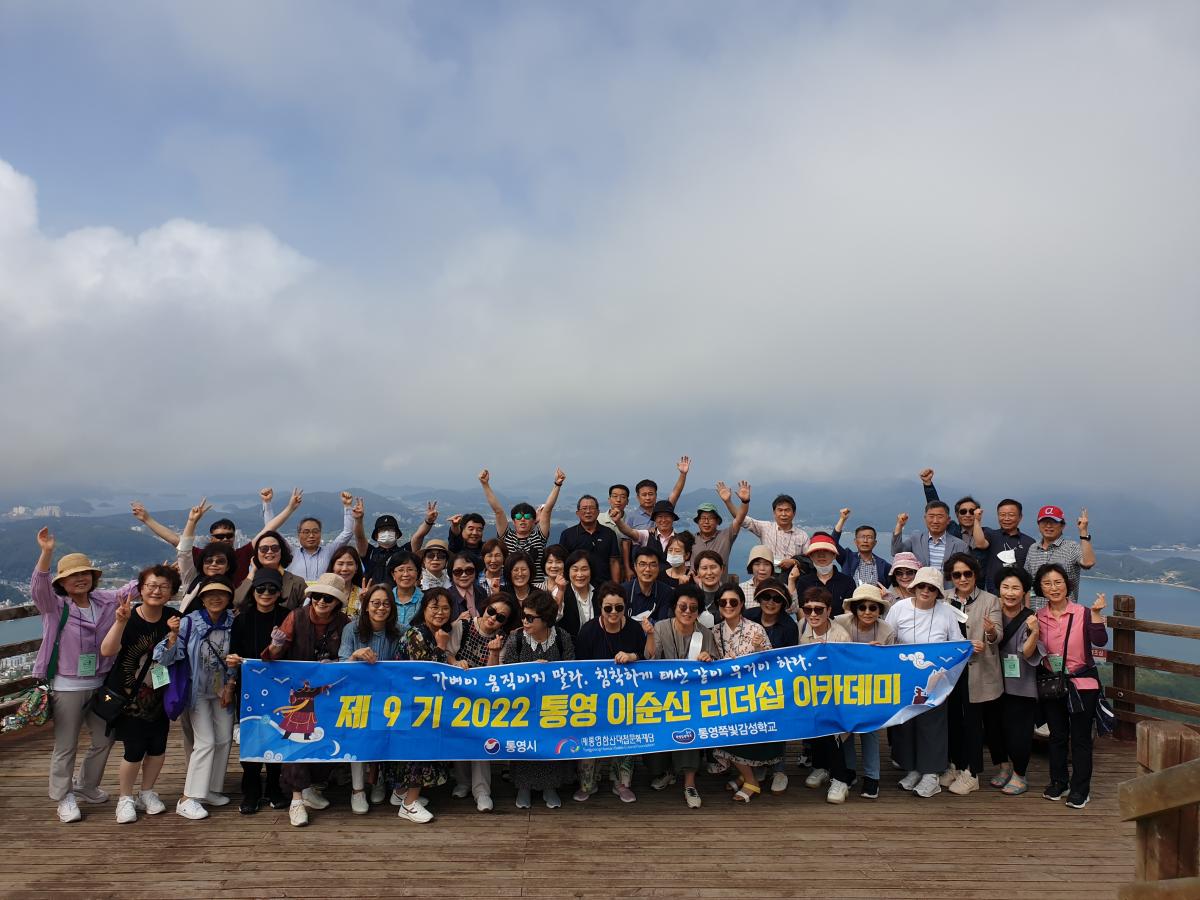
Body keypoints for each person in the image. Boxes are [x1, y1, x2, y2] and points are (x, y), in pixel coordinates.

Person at [32, 527, 139, 823]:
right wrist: (46, 553)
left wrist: (158, 576)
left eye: (85, 573)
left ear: (93, 577)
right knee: (66, 744)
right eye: (73, 575)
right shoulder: (55, 607)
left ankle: (86, 785)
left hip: (102, 683)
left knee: (104, 738)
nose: (80, 579)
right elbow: (38, 588)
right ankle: (63, 796)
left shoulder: (104, 600)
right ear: (61, 583)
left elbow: (131, 590)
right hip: (67, 685)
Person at [263, 573, 352, 827]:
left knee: (322, 740)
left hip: (329, 694)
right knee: (296, 740)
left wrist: (336, 664)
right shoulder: (296, 617)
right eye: (317, 596)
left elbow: (347, 658)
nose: (321, 601)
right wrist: (276, 644)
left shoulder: (344, 623)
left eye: (328, 598)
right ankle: (296, 800)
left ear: (337, 602)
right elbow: (273, 655)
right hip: (297, 694)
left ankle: (309, 787)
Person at [98, 564, 182, 824]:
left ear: (172, 592)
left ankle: (147, 792)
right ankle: (125, 798)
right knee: (134, 749)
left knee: (157, 747)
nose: (156, 591)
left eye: (164, 587)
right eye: (151, 586)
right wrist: (120, 622)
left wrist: (174, 635)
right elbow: (107, 650)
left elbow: (177, 656)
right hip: (128, 697)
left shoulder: (174, 618)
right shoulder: (129, 616)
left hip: (159, 696)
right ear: (141, 589)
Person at [153, 575, 236, 820]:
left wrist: (231, 684)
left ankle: (210, 789)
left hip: (222, 689)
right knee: (206, 741)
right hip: (196, 691)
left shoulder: (233, 622)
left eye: (221, 594)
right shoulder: (188, 623)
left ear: (229, 597)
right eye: (210, 594)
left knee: (224, 739)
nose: (216, 598)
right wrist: (172, 636)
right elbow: (162, 657)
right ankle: (188, 797)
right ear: (202, 598)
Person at [884, 567, 963, 798]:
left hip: (935, 679)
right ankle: (913, 768)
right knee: (906, 724)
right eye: (921, 586)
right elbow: (888, 636)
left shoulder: (946, 612)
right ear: (914, 587)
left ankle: (931, 774)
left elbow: (956, 642)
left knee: (932, 725)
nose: (925, 591)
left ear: (938, 592)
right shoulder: (899, 608)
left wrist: (968, 648)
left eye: (931, 588)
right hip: (904, 677)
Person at [1035, 564, 1108, 809]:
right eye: (1047, 583)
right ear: (1040, 588)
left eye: (1058, 582)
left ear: (1067, 584)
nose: (1054, 588)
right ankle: (1059, 782)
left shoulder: (1082, 613)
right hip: (1053, 684)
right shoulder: (1038, 617)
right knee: (1056, 735)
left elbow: (1100, 641)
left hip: (1082, 684)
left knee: (1080, 738)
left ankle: (1080, 789)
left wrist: (1096, 614)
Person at [573, 583, 655, 803]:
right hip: (594, 697)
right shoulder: (588, 630)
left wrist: (633, 656)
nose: (613, 612)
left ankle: (622, 783)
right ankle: (588, 783)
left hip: (626, 697)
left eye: (619, 608)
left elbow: (647, 657)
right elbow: (579, 667)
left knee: (625, 739)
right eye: (608, 608)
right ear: (600, 607)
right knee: (590, 739)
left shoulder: (634, 628)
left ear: (625, 608)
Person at [500, 590, 576, 808]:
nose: (525, 621)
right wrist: (530, 671)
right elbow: (507, 673)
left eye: (530, 618)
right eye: (523, 616)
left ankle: (550, 787)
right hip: (524, 706)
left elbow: (571, 671)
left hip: (554, 705)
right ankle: (522, 787)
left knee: (551, 744)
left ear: (546, 619)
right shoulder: (516, 639)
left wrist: (550, 673)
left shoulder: (562, 638)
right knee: (525, 746)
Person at [130, 486, 293, 586]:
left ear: (234, 537)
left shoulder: (242, 554)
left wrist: (290, 508)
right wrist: (147, 519)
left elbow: (269, 529)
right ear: (211, 539)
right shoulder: (204, 557)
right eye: (220, 536)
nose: (225, 539)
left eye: (229, 535)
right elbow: (176, 541)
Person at [226, 567, 290, 814]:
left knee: (277, 735)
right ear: (253, 591)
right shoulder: (242, 619)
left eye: (272, 588)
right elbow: (233, 653)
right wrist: (231, 677)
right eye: (261, 588)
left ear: (279, 592)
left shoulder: (287, 617)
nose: (266, 593)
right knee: (251, 736)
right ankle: (251, 789)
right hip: (249, 688)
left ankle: (274, 786)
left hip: (280, 688)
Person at [446, 594, 517, 813]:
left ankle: (482, 790)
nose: (493, 618)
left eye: (501, 617)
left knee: (481, 739)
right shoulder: (463, 625)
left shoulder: (503, 639)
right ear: (485, 608)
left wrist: (494, 652)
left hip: (483, 697)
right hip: (457, 692)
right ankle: (463, 782)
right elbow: (447, 652)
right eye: (491, 611)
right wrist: (456, 662)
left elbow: (493, 675)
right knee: (458, 737)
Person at [709, 585, 779, 803]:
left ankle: (751, 781)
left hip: (751, 695)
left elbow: (771, 664)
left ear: (741, 604)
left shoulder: (755, 629)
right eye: (723, 602)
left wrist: (758, 650)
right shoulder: (714, 631)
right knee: (722, 732)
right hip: (724, 696)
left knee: (740, 736)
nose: (728, 606)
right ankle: (744, 776)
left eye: (733, 602)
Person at [648, 585, 716, 808]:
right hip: (662, 695)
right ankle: (667, 771)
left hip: (692, 699)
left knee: (689, 729)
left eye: (693, 608)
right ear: (674, 607)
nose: (687, 611)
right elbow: (650, 659)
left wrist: (708, 658)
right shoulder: (661, 627)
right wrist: (649, 636)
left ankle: (689, 783)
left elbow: (716, 665)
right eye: (682, 607)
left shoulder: (705, 634)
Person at [392, 588, 456, 824]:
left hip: (421, 704)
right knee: (420, 751)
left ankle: (400, 794)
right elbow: (426, 673)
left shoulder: (434, 632)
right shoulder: (416, 634)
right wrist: (441, 647)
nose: (440, 612)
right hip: (413, 706)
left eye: (445, 608)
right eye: (434, 607)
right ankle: (409, 804)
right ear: (424, 609)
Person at [941, 553, 1003, 797]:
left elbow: (997, 636)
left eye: (967, 573)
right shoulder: (944, 598)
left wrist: (989, 633)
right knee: (953, 719)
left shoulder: (990, 600)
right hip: (951, 671)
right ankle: (956, 765)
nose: (963, 579)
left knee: (973, 722)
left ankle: (973, 772)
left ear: (975, 574)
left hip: (978, 670)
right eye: (957, 575)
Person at [339, 583, 403, 814]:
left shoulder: (400, 631)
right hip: (357, 695)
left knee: (388, 735)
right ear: (366, 606)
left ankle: (378, 781)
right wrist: (355, 655)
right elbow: (341, 665)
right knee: (358, 738)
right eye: (375, 603)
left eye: (386, 604)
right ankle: (357, 790)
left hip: (388, 696)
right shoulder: (351, 629)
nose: (381, 608)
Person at [834, 584, 895, 799]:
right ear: (854, 609)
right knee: (846, 729)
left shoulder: (887, 631)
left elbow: (892, 664)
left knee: (870, 731)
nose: (867, 612)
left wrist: (881, 655)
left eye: (873, 607)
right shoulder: (840, 622)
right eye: (862, 607)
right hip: (844, 685)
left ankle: (872, 777)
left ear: (880, 610)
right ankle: (849, 771)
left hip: (872, 686)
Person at [795, 587, 855, 803]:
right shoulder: (801, 627)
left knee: (831, 731)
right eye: (808, 609)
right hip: (810, 691)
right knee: (814, 729)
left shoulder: (841, 636)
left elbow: (847, 669)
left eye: (818, 609)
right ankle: (820, 767)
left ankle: (840, 779)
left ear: (829, 610)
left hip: (836, 694)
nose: (813, 614)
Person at [743, 579, 799, 794]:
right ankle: (759, 764)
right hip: (749, 683)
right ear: (758, 598)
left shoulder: (789, 626)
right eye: (766, 597)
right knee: (755, 726)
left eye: (777, 598)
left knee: (777, 726)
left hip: (777, 683)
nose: (771, 602)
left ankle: (779, 770)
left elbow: (789, 659)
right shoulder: (748, 616)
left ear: (783, 603)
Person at [990, 567, 1042, 796]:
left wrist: (1035, 633)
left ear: (1024, 591)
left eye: (1015, 588)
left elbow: (1028, 653)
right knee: (994, 727)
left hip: (1021, 685)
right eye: (1005, 587)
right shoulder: (992, 614)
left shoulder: (1030, 618)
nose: (1010, 593)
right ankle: (1003, 766)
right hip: (993, 681)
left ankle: (1020, 774)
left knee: (1018, 731)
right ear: (998, 589)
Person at [479, 467, 565, 579]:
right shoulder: (507, 536)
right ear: (513, 521)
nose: (523, 519)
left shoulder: (539, 537)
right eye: (519, 517)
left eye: (527, 516)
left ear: (534, 521)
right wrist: (485, 484)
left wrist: (557, 485)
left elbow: (547, 509)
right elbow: (498, 511)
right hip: (511, 585)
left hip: (536, 585)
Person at [268, 490, 362, 582]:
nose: (311, 535)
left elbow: (348, 532)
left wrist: (347, 506)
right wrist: (267, 503)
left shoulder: (329, 552)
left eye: (315, 531)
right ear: (298, 535)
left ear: (320, 533)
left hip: (323, 592)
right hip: (296, 593)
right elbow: (272, 531)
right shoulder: (292, 553)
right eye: (306, 532)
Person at [1024, 505, 1095, 609]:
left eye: (1053, 522)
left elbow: (1088, 563)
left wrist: (1083, 531)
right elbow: (1027, 583)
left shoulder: (1071, 547)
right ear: (1038, 524)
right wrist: (1027, 611)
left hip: (1064, 614)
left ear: (1062, 526)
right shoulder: (1033, 549)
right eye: (1044, 522)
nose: (1048, 525)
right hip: (1036, 614)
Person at [968, 500, 1036, 593]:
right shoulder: (991, 534)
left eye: (1011, 515)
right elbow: (980, 543)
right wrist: (977, 520)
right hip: (993, 592)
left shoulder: (1029, 542)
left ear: (1020, 517)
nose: (1006, 518)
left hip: (1018, 593)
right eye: (1002, 515)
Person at [233, 531, 307, 611]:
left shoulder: (297, 583)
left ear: (281, 551)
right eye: (264, 549)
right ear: (257, 553)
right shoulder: (249, 579)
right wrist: (253, 571)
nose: (269, 552)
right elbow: (236, 602)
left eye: (275, 548)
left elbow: (307, 610)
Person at [558, 494, 622, 586]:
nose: (588, 511)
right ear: (577, 513)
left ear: (598, 512)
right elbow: (562, 562)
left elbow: (614, 561)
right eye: (584, 508)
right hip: (576, 585)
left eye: (592, 508)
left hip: (604, 586)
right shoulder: (567, 535)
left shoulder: (609, 533)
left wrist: (615, 587)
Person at [891, 501, 969, 575]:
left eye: (940, 517)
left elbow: (966, 572)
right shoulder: (916, 539)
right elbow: (896, 552)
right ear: (925, 518)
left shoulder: (961, 546)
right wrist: (899, 525)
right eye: (931, 516)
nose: (935, 521)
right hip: (921, 584)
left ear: (948, 520)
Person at [740, 493, 810, 573]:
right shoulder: (765, 528)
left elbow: (808, 561)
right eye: (780, 510)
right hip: (768, 576)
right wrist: (736, 502)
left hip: (792, 577)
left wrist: (794, 562)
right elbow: (741, 519)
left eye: (787, 510)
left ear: (794, 513)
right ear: (774, 512)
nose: (783, 514)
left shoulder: (802, 536)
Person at [790, 533, 856, 615]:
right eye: (816, 551)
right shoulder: (804, 582)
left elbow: (848, 612)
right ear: (811, 556)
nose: (821, 555)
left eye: (826, 551)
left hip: (840, 623)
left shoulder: (847, 582)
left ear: (834, 555)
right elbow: (801, 610)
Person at [689, 480, 752, 565]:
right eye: (703, 518)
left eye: (710, 518)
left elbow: (739, 520)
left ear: (717, 521)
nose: (706, 522)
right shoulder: (690, 539)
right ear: (698, 521)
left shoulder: (726, 536)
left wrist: (744, 502)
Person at [832, 508, 890, 588]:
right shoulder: (848, 558)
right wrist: (842, 519)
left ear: (875, 542)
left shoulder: (883, 565)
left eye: (869, 537)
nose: (865, 540)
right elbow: (832, 543)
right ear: (855, 541)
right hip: (850, 596)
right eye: (862, 537)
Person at [625, 457, 690, 529]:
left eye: (650, 494)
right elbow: (627, 535)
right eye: (644, 495)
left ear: (656, 495)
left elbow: (675, 494)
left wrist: (683, 474)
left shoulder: (664, 509)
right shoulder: (631, 517)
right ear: (638, 497)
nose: (648, 498)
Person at [611, 500, 681, 561]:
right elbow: (630, 532)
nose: (663, 520)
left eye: (667, 516)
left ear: (673, 518)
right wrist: (618, 521)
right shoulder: (647, 535)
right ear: (655, 519)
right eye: (660, 517)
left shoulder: (679, 540)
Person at [621, 545, 676, 621]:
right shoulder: (623, 590)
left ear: (658, 567)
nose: (647, 569)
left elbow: (663, 623)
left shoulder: (666, 592)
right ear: (635, 567)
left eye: (653, 565)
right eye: (642, 564)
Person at [556, 551, 598, 637]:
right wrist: (560, 591)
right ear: (568, 572)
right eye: (575, 570)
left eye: (584, 569)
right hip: (569, 643)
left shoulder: (600, 592)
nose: (579, 574)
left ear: (591, 570)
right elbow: (552, 618)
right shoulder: (560, 591)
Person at [596, 483, 633, 578]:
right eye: (615, 496)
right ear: (609, 500)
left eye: (623, 497)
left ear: (627, 501)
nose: (618, 500)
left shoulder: (631, 521)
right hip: (601, 567)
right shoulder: (598, 519)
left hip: (625, 568)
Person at [359, 513, 404, 587]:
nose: (387, 533)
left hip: (397, 594)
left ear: (397, 534)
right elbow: (359, 537)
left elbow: (418, 537)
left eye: (390, 529)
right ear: (376, 536)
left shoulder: (405, 552)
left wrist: (426, 522)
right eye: (382, 530)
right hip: (372, 593)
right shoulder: (370, 552)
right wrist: (358, 519)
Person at [387, 551, 424, 628]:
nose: (406, 574)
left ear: (417, 573)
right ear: (393, 574)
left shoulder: (425, 599)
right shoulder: (386, 598)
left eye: (410, 569)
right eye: (401, 570)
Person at [327, 545, 365, 617]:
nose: (344, 569)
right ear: (333, 567)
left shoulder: (362, 594)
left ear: (356, 567)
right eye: (340, 564)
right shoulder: (321, 592)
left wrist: (365, 603)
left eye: (350, 564)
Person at [448, 552, 488, 619]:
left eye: (469, 570)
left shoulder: (482, 592)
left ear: (476, 572)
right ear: (451, 574)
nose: (464, 575)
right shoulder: (446, 596)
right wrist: (457, 622)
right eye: (458, 571)